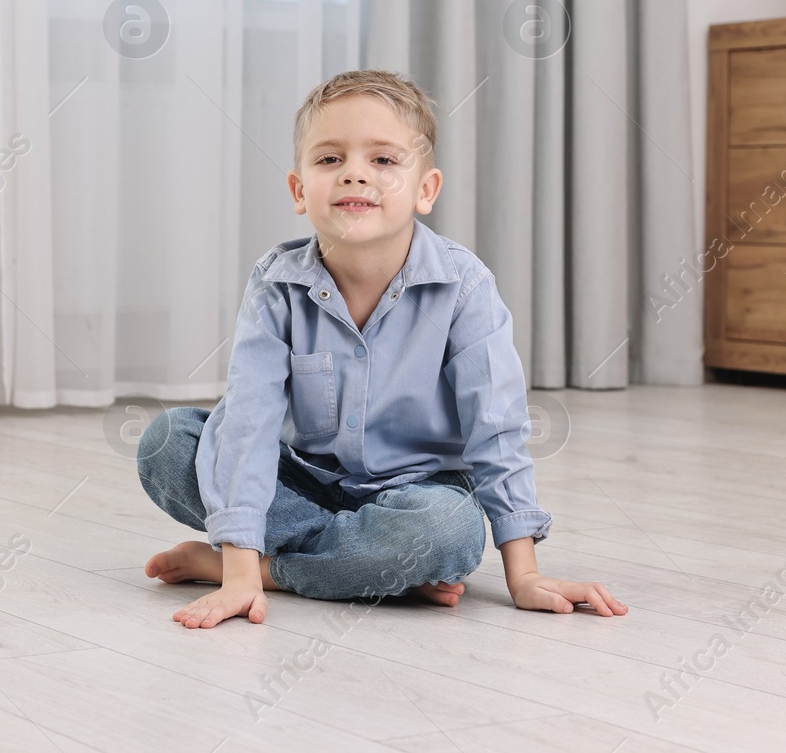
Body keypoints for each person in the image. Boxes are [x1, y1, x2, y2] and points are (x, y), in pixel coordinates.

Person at [137, 69, 628, 629]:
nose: (354, 175)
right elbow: (247, 420)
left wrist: (524, 575)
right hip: (300, 482)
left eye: (384, 161)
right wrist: (242, 574)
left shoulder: (464, 288)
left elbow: (497, 426)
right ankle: (339, 566)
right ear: (299, 191)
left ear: (426, 190)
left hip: (416, 497)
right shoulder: (276, 285)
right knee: (168, 443)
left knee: (445, 532)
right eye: (329, 160)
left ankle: (269, 566)